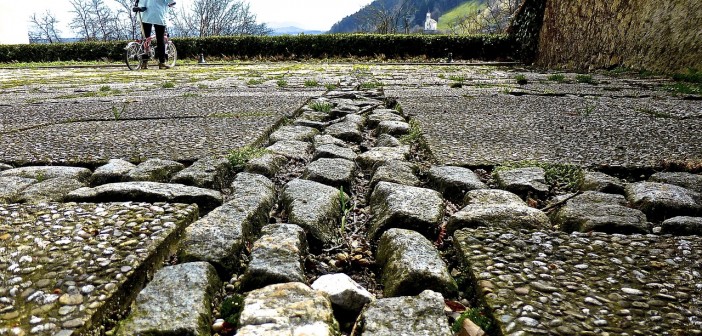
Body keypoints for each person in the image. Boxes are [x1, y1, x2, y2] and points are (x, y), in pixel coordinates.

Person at [134, 0, 175, 69]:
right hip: (158, 15)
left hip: (144, 15)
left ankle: (144, 62)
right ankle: (162, 62)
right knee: (160, 39)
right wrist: (171, 4)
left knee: (145, 39)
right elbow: (171, 2)